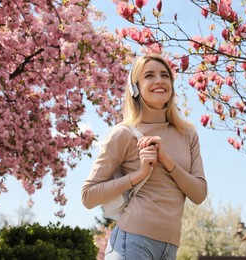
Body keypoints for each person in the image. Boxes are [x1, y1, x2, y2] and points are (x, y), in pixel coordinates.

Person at [81, 53, 207, 259]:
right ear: (135, 87)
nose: (159, 80)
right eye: (149, 75)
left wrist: (167, 162)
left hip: (170, 248)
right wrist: (138, 175)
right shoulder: (124, 133)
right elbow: (88, 196)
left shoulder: (188, 134)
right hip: (131, 242)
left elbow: (199, 194)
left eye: (165, 75)